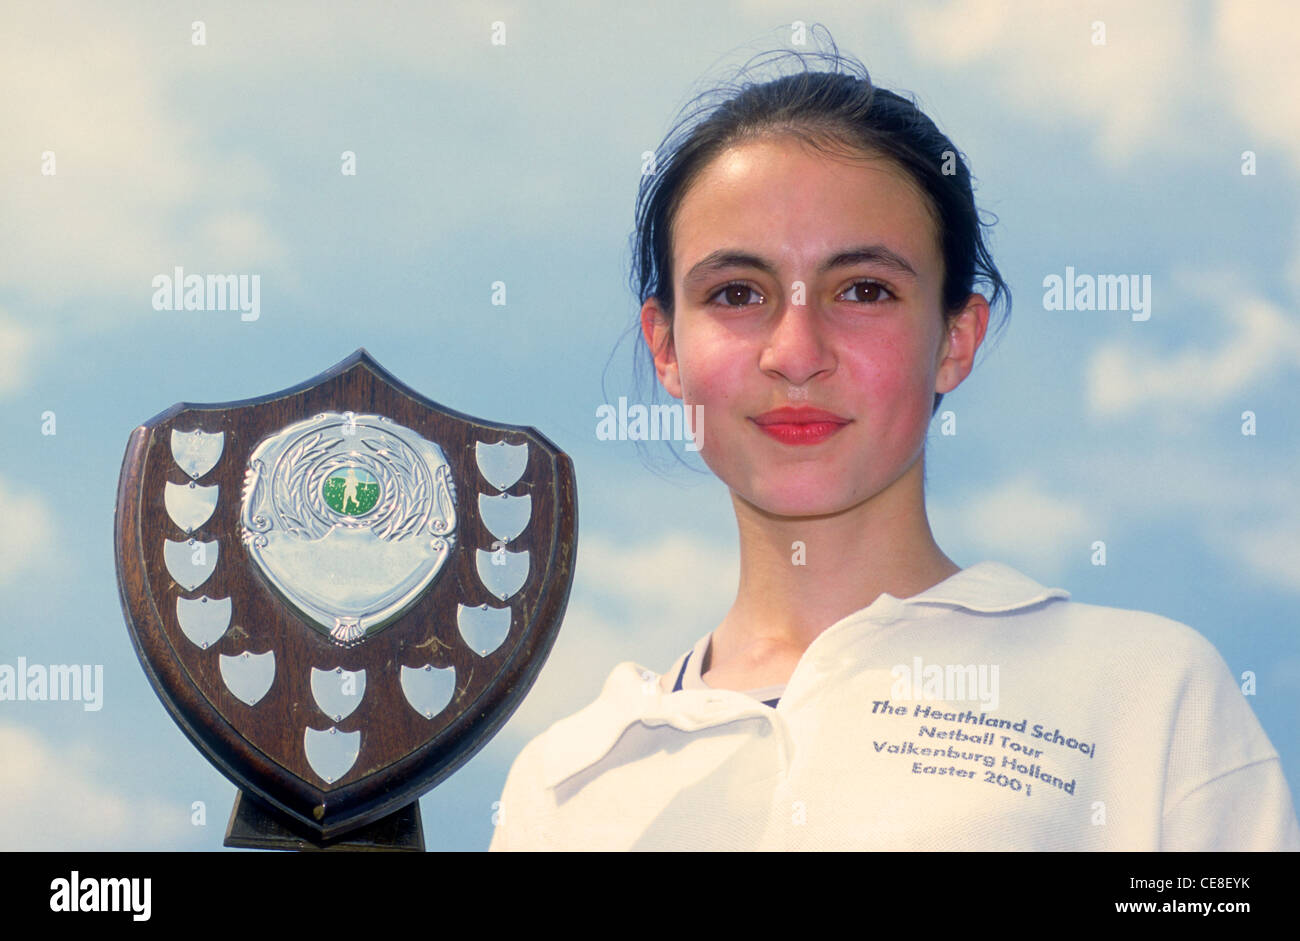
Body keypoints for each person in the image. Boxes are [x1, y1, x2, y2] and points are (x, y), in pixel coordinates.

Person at [488, 30, 1300, 851]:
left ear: (955, 337)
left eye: (864, 289)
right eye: (737, 292)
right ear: (666, 346)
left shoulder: (1150, 696)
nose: (796, 352)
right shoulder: (563, 783)